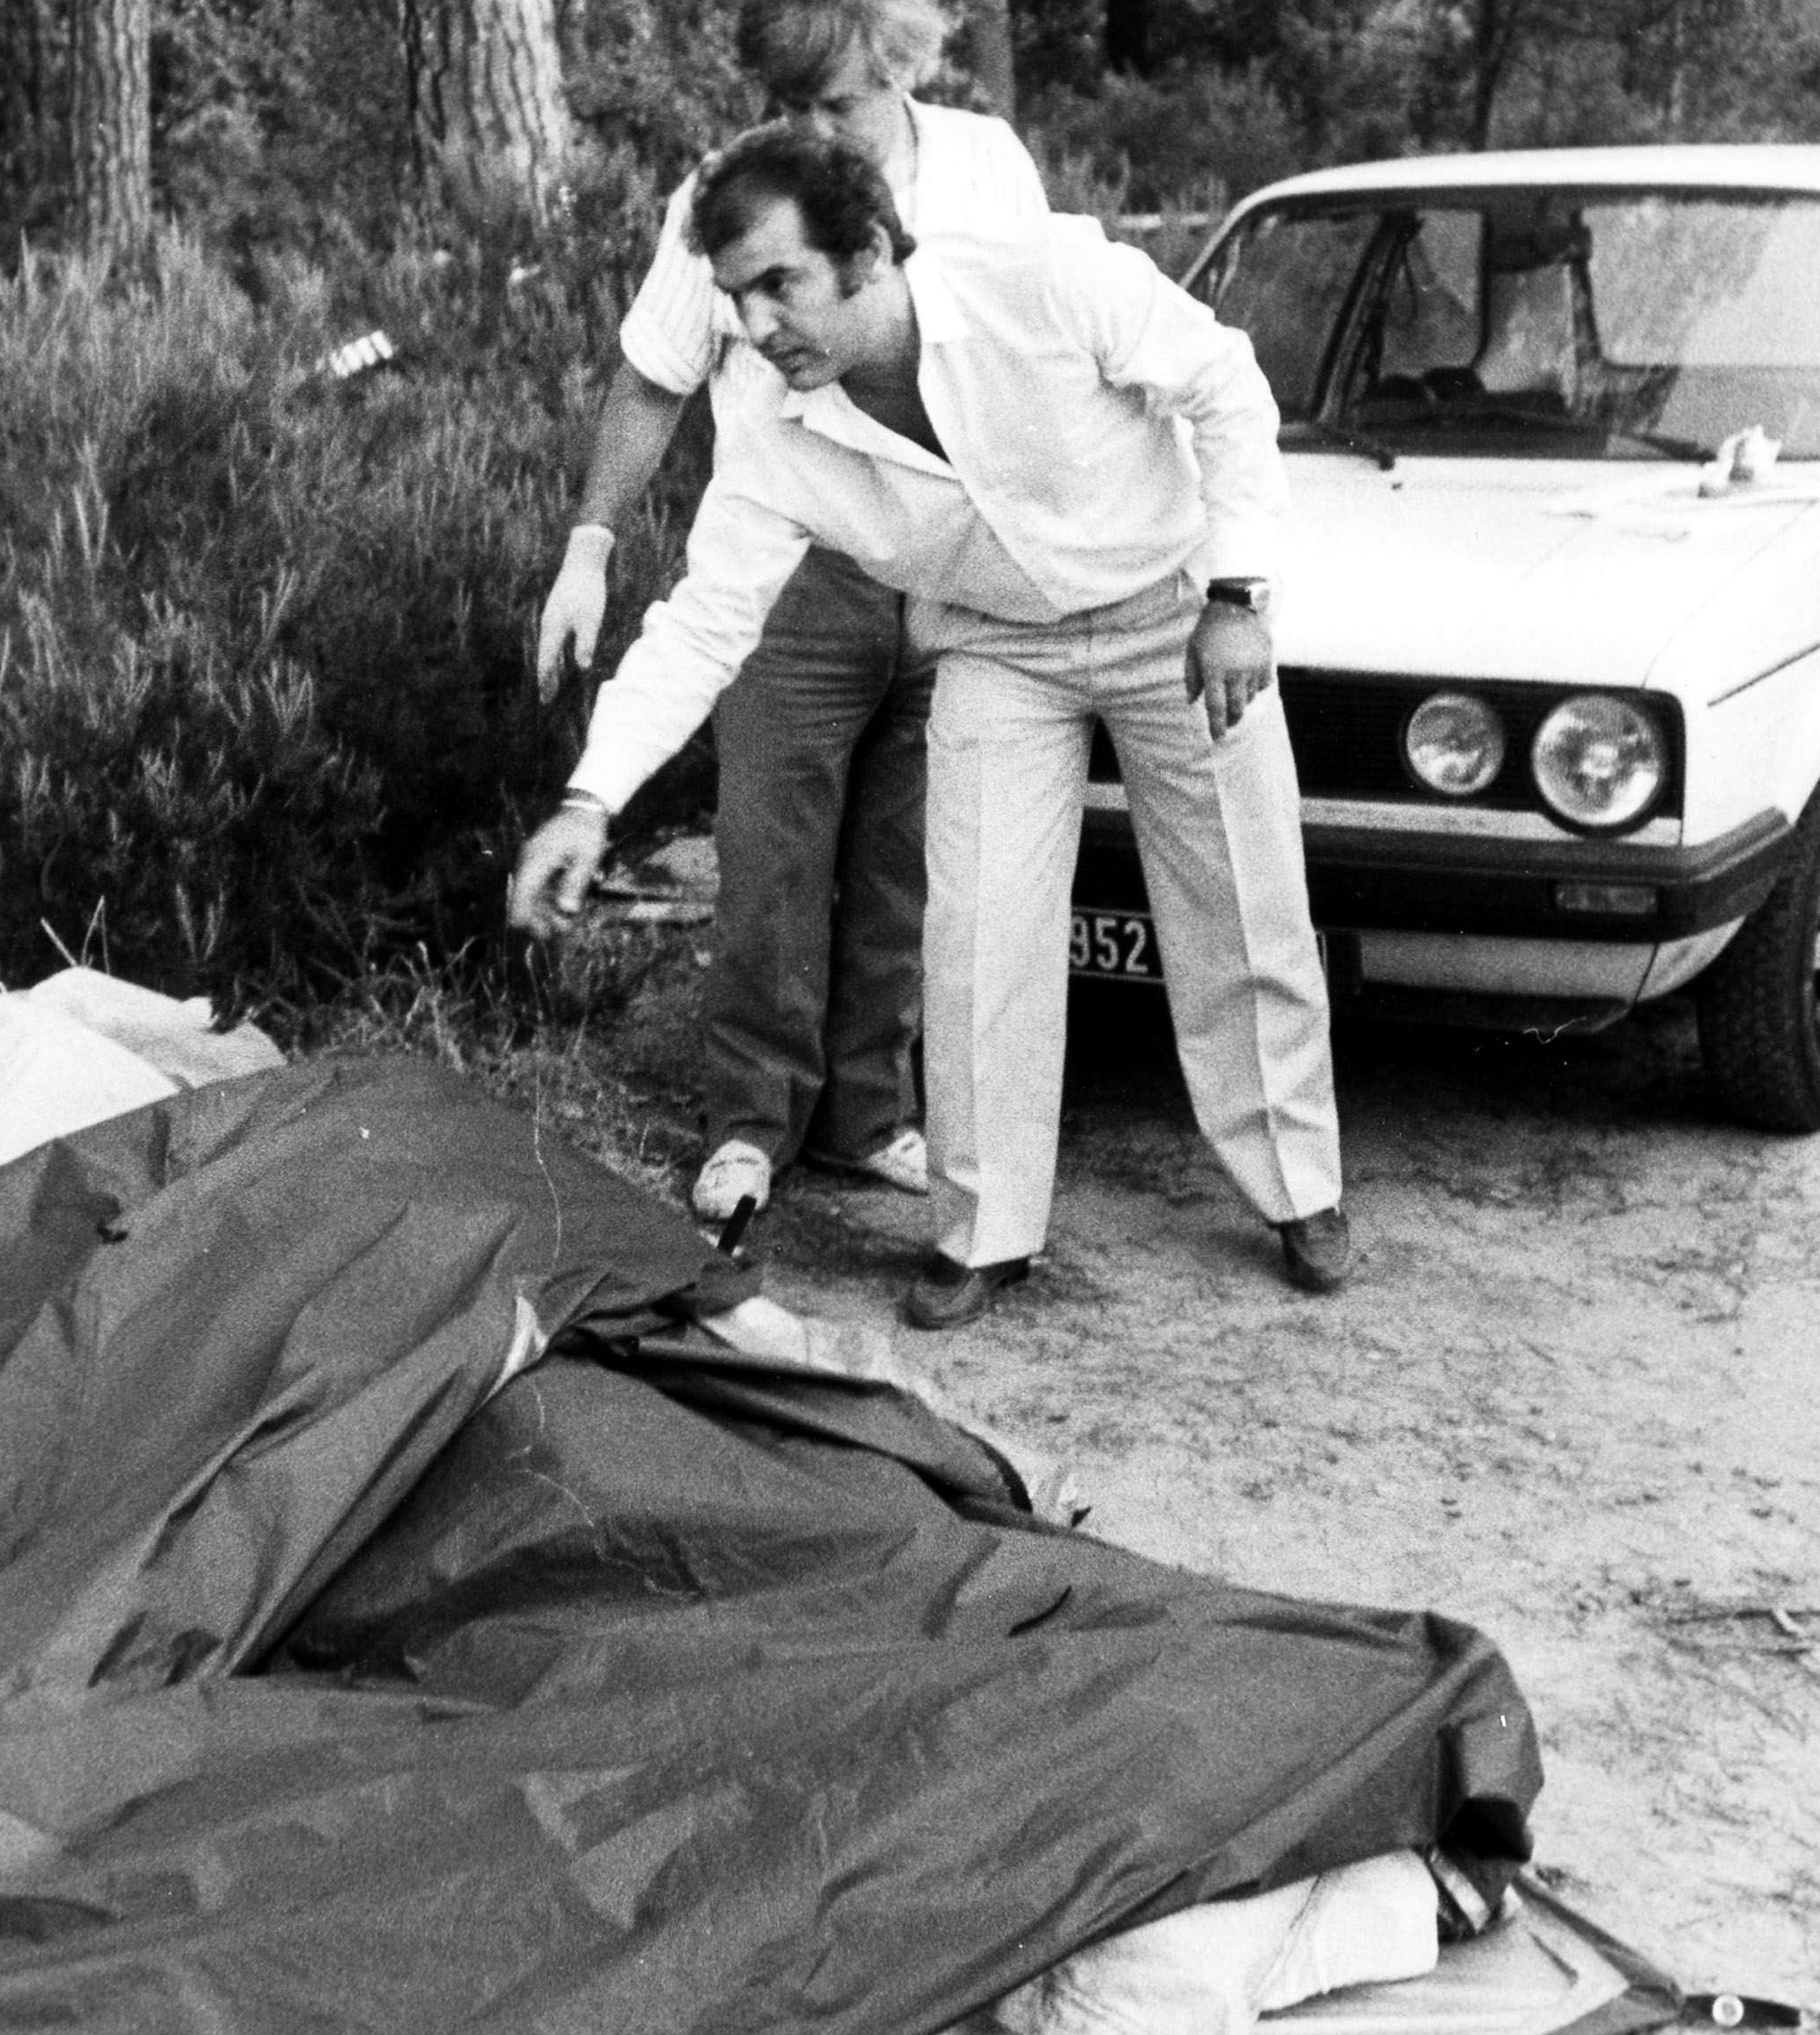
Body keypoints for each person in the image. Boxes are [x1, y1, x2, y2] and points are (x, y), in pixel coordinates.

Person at [510, 124, 1350, 1329]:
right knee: (975, 935)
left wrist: (1239, 593)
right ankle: (985, 1235)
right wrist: (591, 801)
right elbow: (703, 625)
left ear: (863, 251)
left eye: (779, 287)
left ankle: (1299, 1188)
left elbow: (1225, 387)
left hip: (1175, 616)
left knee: (1240, 908)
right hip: (1000, 649)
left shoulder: (1046, 276)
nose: (756, 327)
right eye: (736, 299)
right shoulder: (779, 440)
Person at [535, 0, 1046, 1228]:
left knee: (903, 863)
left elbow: (1027, 357)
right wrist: (590, 546)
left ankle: (869, 1116)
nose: (818, 131)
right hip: (783, 563)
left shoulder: (987, 166)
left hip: (944, 563)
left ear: (907, 66)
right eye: (792, 106)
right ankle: (750, 1127)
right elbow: (655, 375)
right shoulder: (725, 191)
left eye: (841, 106)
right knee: (771, 857)